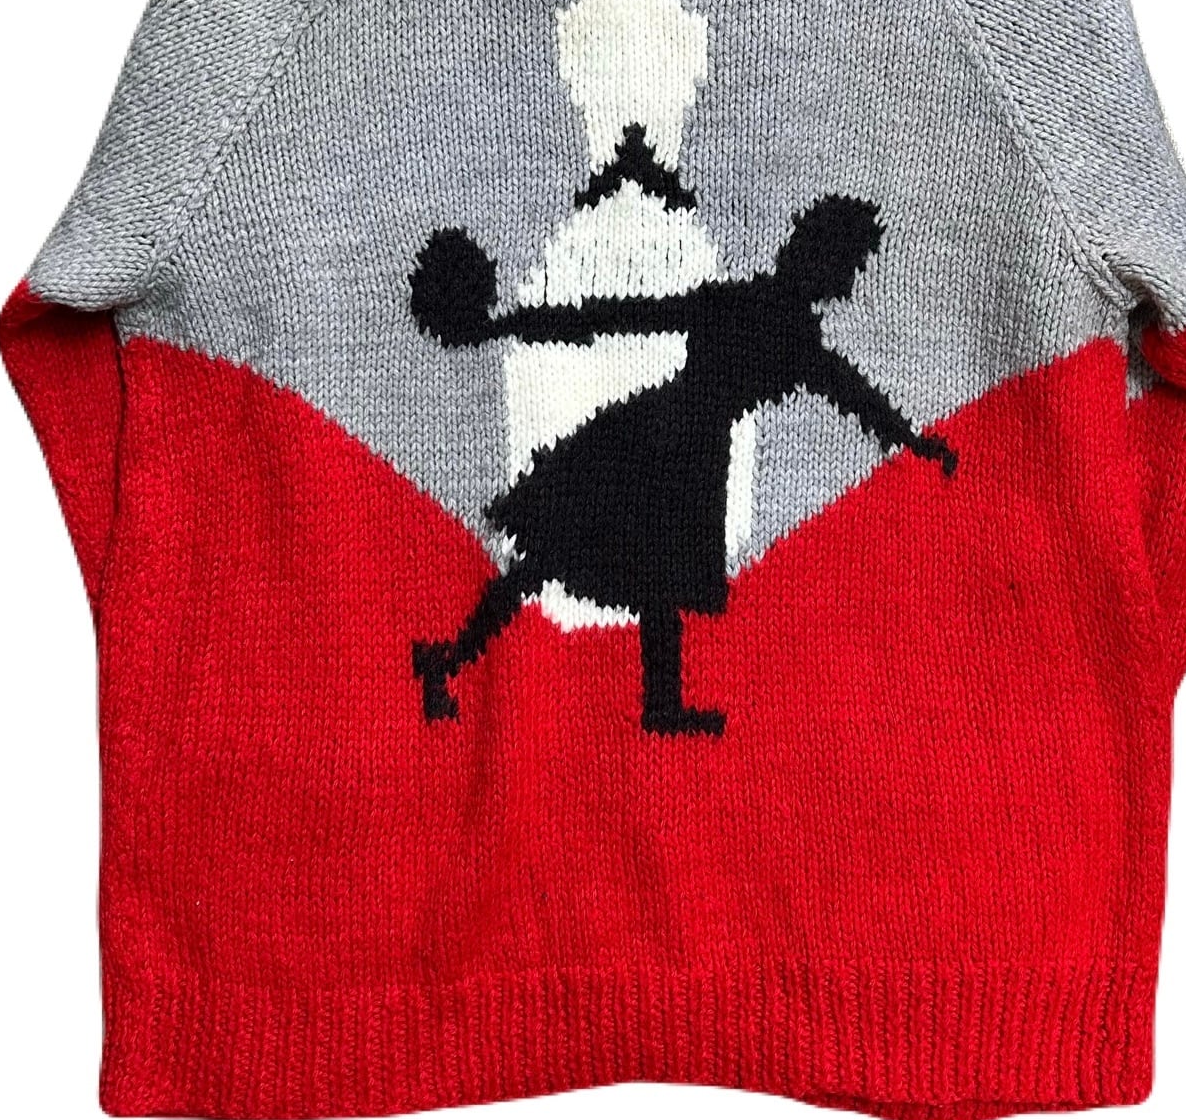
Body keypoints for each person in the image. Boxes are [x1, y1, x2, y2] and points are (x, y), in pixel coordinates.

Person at [409, 193, 958, 734]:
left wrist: (912, 441)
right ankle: (459, 660)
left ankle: (471, 663)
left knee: (620, 571)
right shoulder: (772, 322)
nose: (847, 278)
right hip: (659, 448)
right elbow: (625, 317)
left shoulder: (769, 318)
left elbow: (846, 388)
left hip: (670, 446)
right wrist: (913, 442)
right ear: (821, 257)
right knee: (589, 562)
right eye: (847, 263)